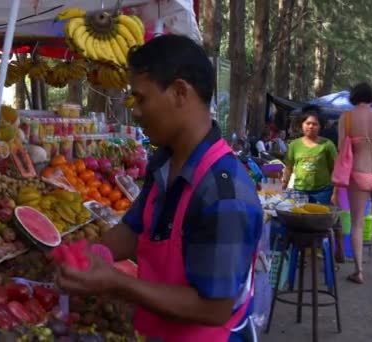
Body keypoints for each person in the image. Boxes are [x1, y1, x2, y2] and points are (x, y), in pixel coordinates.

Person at [55, 34, 263, 342]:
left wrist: (116, 283)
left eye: (141, 99)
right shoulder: (164, 162)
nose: (135, 111)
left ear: (180, 92)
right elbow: (136, 229)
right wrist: (91, 254)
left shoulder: (224, 192)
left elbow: (213, 308)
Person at [340, 82, 372, 283]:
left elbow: (342, 149)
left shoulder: (347, 118)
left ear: (353, 97)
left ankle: (358, 271)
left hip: (358, 173)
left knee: (357, 223)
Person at [282, 105, 338, 204]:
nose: (311, 126)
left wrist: (335, 193)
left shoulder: (327, 145)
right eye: (307, 123)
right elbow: (288, 168)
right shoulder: (294, 145)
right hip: (299, 191)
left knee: (319, 217)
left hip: (323, 193)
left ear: (320, 126)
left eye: (315, 124)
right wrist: (284, 186)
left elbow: (336, 170)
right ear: (301, 125)